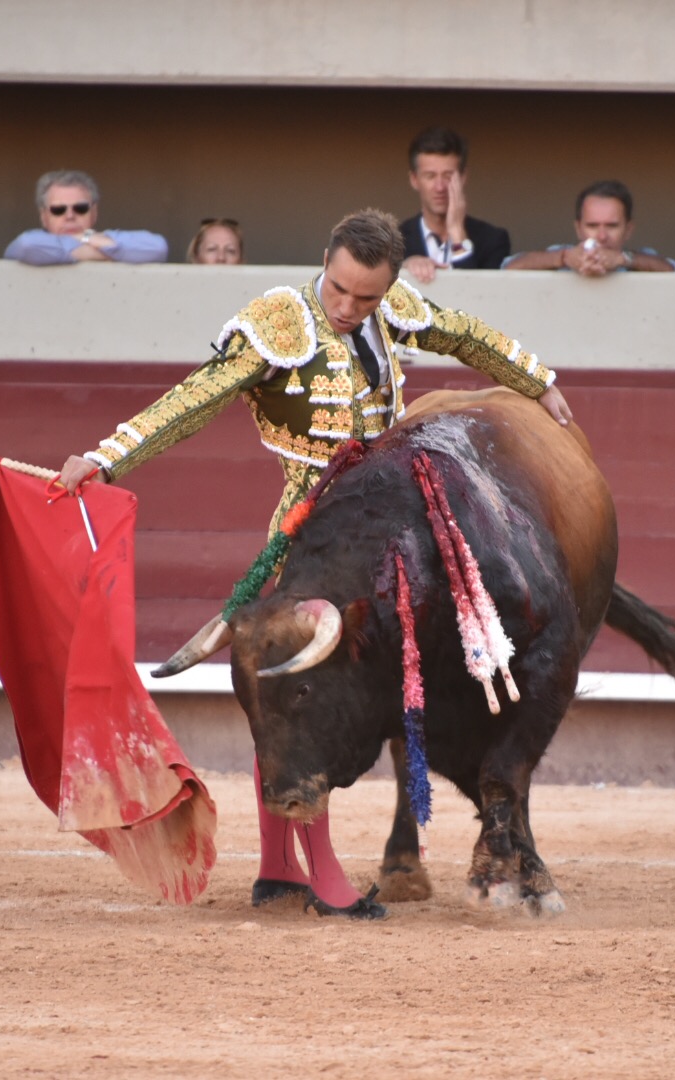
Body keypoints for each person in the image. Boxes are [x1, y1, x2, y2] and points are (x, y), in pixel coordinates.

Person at [57, 209, 570, 919]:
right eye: (339, 291)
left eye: (366, 298)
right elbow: (196, 399)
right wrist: (107, 458)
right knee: (307, 702)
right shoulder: (279, 322)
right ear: (324, 262)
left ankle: (278, 869)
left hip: (386, 531)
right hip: (308, 537)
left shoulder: (390, 307)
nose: (349, 308)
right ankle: (318, 875)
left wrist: (536, 380)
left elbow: (463, 332)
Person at [397, 126, 510, 283]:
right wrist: (403, 268)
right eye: (430, 176)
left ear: (463, 177)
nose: (440, 187)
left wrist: (458, 237)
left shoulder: (492, 239)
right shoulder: (393, 242)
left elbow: (482, 297)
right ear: (414, 180)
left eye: (448, 176)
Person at [503, 180, 675, 274]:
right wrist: (564, 258)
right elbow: (508, 268)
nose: (602, 236)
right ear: (578, 228)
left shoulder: (639, 259)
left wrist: (624, 259)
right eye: (592, 226)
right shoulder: (562, 254)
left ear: (628, 230)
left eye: (612, 226)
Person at [4, 170, 168, 265]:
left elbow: (157, 248)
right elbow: (27, 247)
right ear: (43, 216)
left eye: (80, 208)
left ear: (94, 212)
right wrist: (97, 249)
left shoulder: (105, 238)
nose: (69, 216)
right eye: (58, 209)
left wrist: (87, 237)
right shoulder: (36, 238)